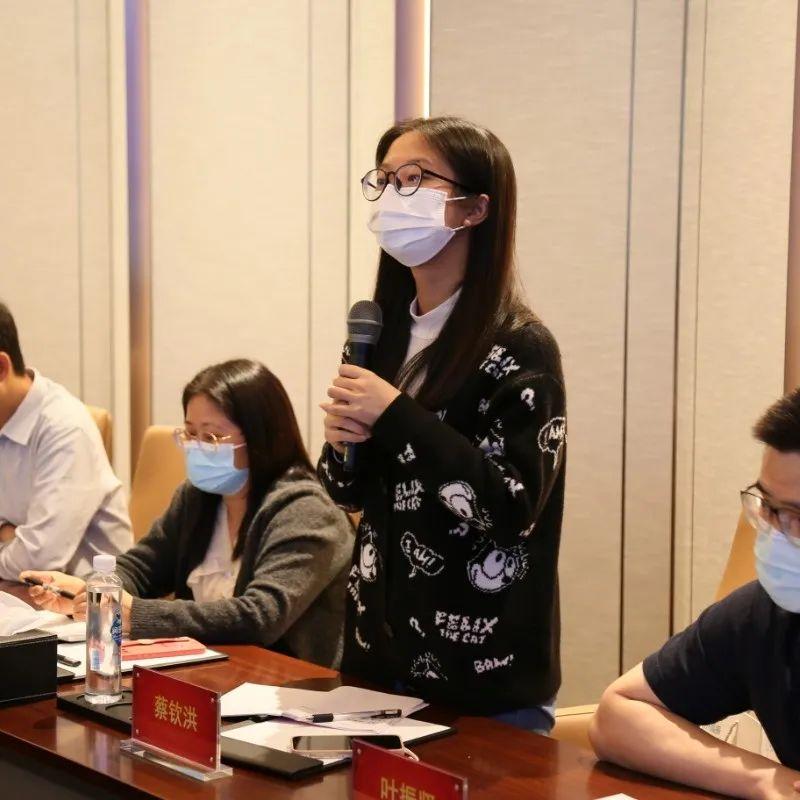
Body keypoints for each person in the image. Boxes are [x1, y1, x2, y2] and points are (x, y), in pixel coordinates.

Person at [318, 116, 567, 731]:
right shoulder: (379, 333)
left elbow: (512, 508)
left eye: (413, 178)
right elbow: (349, 491)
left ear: (475, 208)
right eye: (383, 180)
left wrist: (395, 415)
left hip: (481, 676)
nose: (392, 196)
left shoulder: (521, 347)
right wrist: (341, 447)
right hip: (377, 661)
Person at [25, 359, 354, 668]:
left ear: (260, 439)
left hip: (290, 685)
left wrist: (134, 613)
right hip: (208, 670)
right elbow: (143, 566)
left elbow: (259, 617)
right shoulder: (198, 496)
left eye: (211, 436)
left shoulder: (306, 511)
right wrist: (92, 593)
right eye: (190, 433)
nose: (196, 446)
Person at [589, 388, 800, 800]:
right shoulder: (763, 614)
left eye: (796, 516)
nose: (775, 531)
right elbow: (617, 717)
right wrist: (767, 780)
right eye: (768, 506)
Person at [0, 301, 131, 579]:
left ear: (1, 368)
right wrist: (8, 534)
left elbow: (38, 559)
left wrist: (13, 535)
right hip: (16, 589)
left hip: (88, 597)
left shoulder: (65, 427)